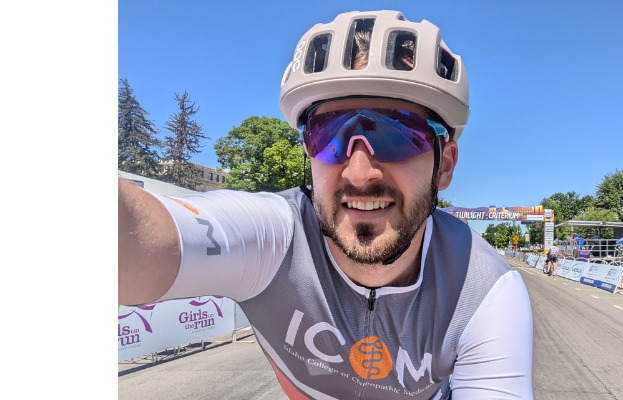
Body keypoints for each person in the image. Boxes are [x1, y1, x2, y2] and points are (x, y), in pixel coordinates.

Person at [117, 10, 533, 400]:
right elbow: (141, 243)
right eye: (328, 135)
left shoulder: (484, 291)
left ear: (444, 167)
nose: (358, 172)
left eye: (397, 134)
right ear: (308, 154)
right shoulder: (271, 240)